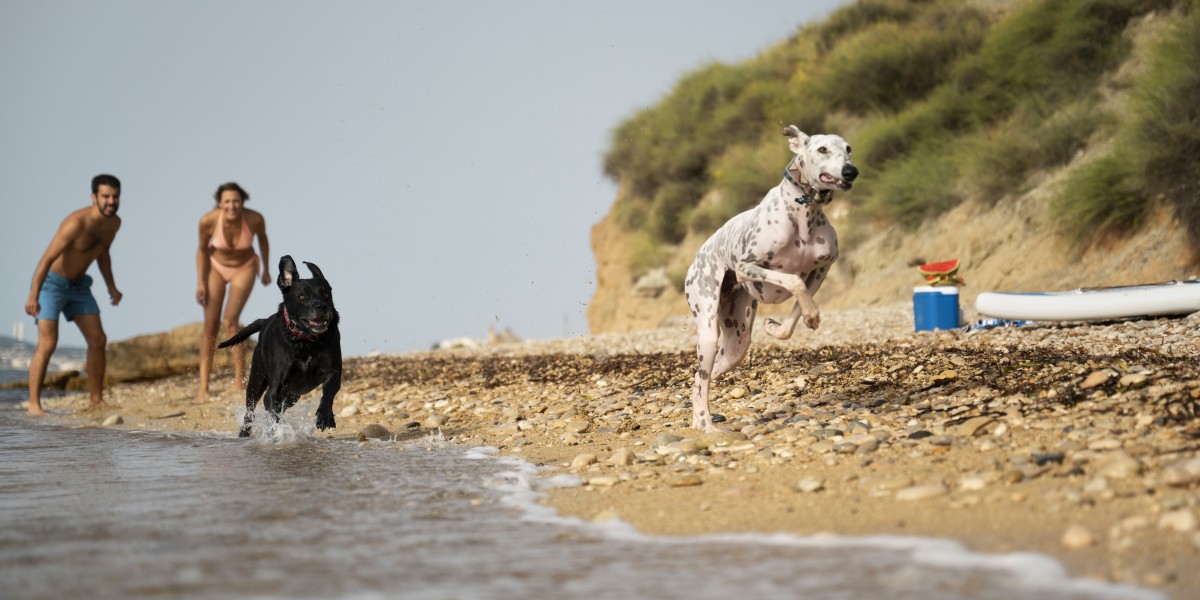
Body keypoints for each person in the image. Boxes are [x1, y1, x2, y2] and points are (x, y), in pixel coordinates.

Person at [24, 174, 124, 415]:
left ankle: (96, 400)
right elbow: (46, 260)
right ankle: (34, 405)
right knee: (48, 343)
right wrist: (33, 295)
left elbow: (103, 254)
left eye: (115, 196)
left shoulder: (114, 223)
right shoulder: (75, 223)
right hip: (52, 284)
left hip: (79, 286)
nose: (111, 201)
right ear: (93, 197)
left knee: (98, 340)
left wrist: (111, 286)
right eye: (106, 196)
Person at [195, 182, 270, 402]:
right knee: (210, 325)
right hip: (216, 267)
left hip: (245, 267)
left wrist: (265, 269)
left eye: (236, 201)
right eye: (227, 201)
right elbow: (201, 251)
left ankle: (239, 382)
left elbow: (263, 241)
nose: (232, 205)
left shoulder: (255, 219)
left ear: (242, 201)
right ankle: (203, 388)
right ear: (220, 203)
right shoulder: (208, 221)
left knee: (230, 322)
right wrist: (200, 282)